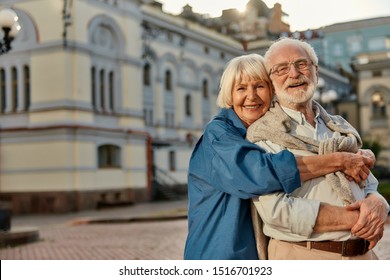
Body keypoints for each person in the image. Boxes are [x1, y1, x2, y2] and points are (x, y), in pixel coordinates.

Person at [183, 53, 374, 260]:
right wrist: (338, 160)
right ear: (229, 95)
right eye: (241, 88)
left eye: (259, 86)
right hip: (220, 254)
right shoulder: (219, 135)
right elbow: (260, 174)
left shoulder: (270, 132)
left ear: (272, 90)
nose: (251, 96)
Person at [247, 37, 390, 260]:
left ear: (316, 71)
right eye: (282, 69)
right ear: (271, 82)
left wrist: (378, 202)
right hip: (303, 256)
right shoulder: (262, 134)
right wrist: (359, 219)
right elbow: (276, 211)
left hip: (363, 256)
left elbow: (368, 183)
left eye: (302, 64)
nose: (294, 73)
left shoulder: (340, 128)